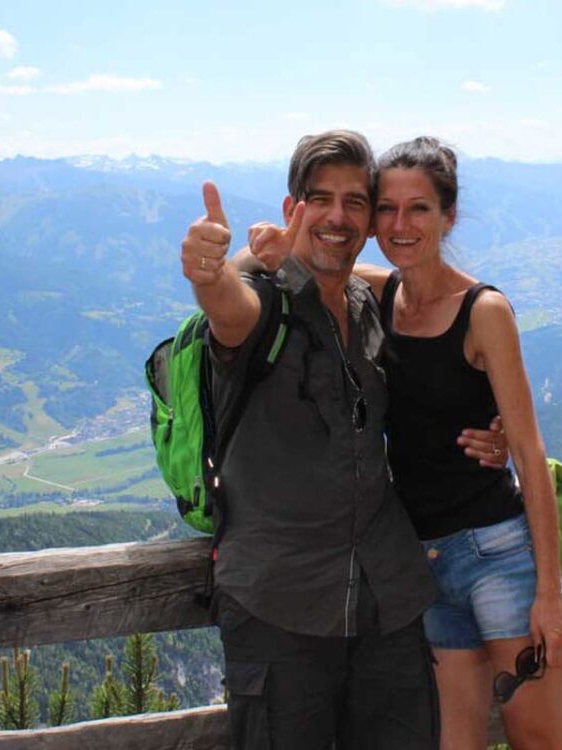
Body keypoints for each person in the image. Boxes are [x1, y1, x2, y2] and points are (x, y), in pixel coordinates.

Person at [247, 137, 562, 750]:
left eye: (419, 209)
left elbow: (530, 454)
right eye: (387, 209)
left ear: (448, 217)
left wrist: (549, 597)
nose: (400, 225)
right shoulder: (382, 293)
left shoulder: (484, 311)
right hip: (423, 567)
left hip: (496, 554)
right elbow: (304, 266)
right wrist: (272, 243)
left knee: (542, 742)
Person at [180, 130, 504, 750]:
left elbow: (436, 324)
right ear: (290, 209)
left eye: (356, 201)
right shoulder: (261, 305)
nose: (337, 216)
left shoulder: (369, 300)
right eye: (319, 198)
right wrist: (210, 271)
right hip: (280, 607)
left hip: (388, 601)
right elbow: (226, 304)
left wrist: (502, 433)